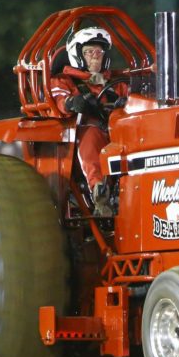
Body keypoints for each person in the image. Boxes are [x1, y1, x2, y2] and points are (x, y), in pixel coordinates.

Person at [50, 27, 128, 216]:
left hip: (117, 134)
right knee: (90, 135)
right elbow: (59, 101)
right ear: (78, 55)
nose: (95, 56)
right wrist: (71, 103)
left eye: (99, 52)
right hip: (79, 139)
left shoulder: (116, 83)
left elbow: (133, 101)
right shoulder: (64, 80)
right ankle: (99, 191)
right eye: (89, 52)